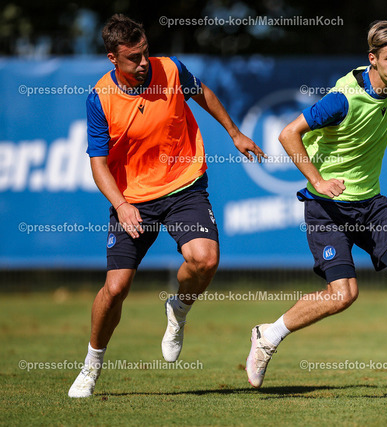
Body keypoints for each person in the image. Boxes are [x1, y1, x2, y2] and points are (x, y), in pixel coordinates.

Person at [245, 20, 387, 387]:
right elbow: (288, 134)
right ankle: (268, 336)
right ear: (372, 59)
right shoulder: (343, 98)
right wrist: (318, 181)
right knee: (343, 295)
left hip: (370, 204)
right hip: (328, 207)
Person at [69, 14, 264, 398]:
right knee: (116, 287)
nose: (144, 63)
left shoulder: (170, 70)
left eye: (146, 53)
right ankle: (91, 365)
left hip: (183, 185)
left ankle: (179, 308)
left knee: (205, 260)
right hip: (133, 199)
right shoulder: (100, 98)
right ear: (113, 58)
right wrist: (121, 204)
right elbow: (98, 164)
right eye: (133, 58)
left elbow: (203, 93)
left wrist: (235, 132)